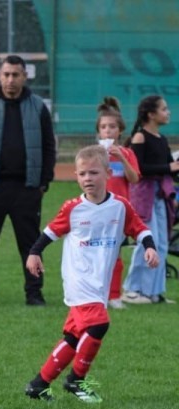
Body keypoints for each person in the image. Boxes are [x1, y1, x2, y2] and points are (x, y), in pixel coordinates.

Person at [23, 145, 158, 404]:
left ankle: (38, 385)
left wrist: (149, 248)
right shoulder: (73, 208)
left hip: (100, 283)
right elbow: (49, 232)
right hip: (78, 279)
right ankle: (75, 379)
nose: (87, 179)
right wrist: (34, 252)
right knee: (99, 324)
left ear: (108, 173)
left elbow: (140, 228)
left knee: (74, 337)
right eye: (82, 174)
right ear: (76, 176)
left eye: (93, 173)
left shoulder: (120, 206)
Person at [0, 54, 56, 307]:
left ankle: (34, 294)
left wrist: (43, 183)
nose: (10, 80)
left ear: (25, 77)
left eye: (16, 75)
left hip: (26, 190)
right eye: (6, 74)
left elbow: (49, 147)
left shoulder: (37, 106)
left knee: (31, 247)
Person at [123, 95, 179, 304]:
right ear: (151, 114)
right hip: (143, 195)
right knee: (147, 242)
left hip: (160, 195)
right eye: (164, 109)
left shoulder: (162, 139)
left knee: (162, 243)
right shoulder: (140, 137)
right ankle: (133, 289)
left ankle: (154, 292)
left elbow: (169, 169)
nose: (168, 112)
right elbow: (139, 169)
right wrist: (169, 167)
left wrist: (173, 167)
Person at [93, 97, 140, 309]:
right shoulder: (93, 154)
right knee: (95, 254)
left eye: (112, 127)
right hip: (95, 211)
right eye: (104, 127)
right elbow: (86, 181)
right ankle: (95, 295)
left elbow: (134, 178)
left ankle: (114, 295)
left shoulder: (128, 153)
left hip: (118, 211)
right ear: (99, 131)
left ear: (119, 130)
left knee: (115, 255)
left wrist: (121, 158)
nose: (108, 131)